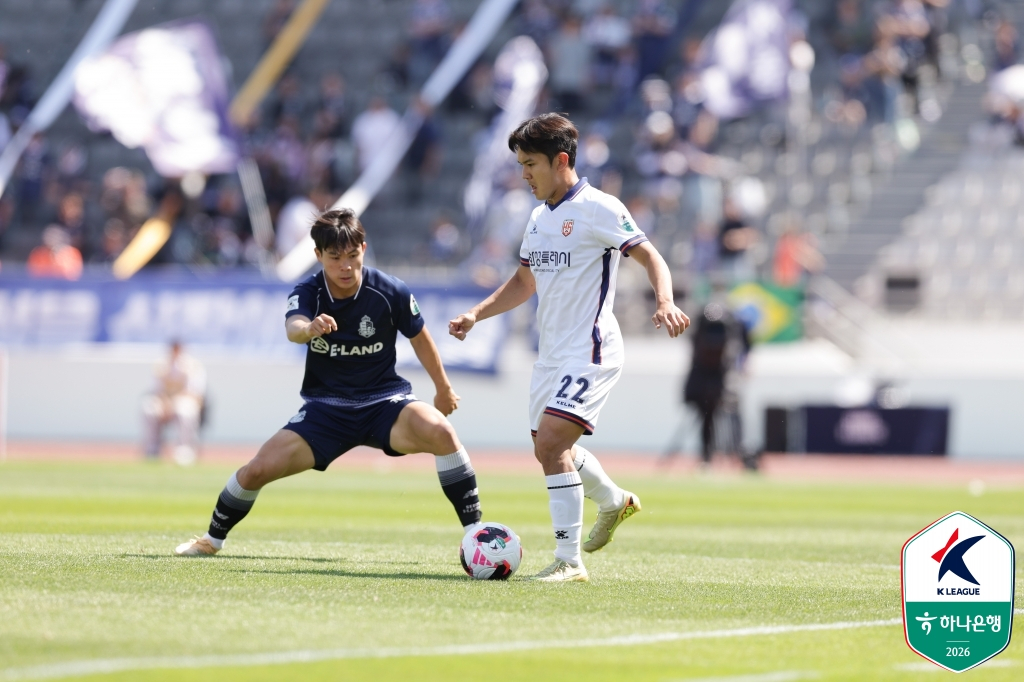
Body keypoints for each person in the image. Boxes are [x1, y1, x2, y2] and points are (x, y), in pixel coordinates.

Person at [449, 114, 689, 582]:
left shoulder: (600, 208)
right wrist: (477, 313)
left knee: (555, 444)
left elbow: (648, 254)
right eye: (520, 164)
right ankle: (615, 502)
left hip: (591, 348)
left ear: (561, 160)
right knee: (548, 451)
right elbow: (523, 281)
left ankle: (568, 560)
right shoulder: (539, 218)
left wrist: (665, 301)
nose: (524, 175)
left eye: (531, 164)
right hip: (551, 354)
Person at [175, 209, 482, 556]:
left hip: (384, 403)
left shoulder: (389, 290)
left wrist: (443, 388)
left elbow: (420, 336)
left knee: (441, 431)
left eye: (353, 255)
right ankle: (212, 540)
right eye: (335, 258)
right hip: (326, 410)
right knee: (256, 470)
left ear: (364, 248)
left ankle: (476, 534)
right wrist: (309, 329)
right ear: (318, 255)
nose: (346, 266)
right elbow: (293, 328)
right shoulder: (308, 292)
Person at [141, 341, 207, 465]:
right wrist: (166, 403)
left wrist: (173, 402)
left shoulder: (193, 365)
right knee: (149, 408)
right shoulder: (161, 365)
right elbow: (155, 389)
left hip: (183, 400)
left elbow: (196, 392)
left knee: (184, 411)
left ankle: (184, 449)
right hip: (164, 401)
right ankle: (152, 448)